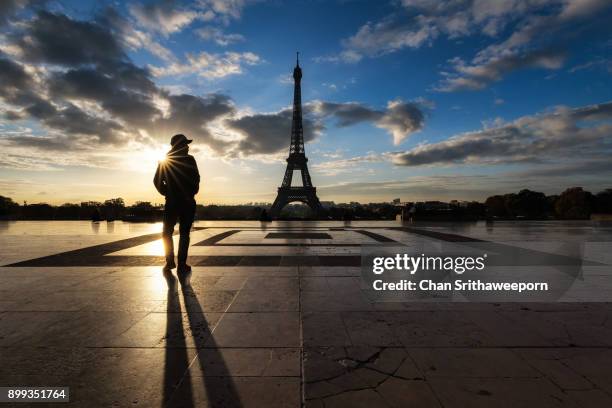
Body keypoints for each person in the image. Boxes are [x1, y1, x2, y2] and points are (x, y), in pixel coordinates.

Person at [154, 134, 200, 273]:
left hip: (172, 201)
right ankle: (181, 263)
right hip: (186, 201)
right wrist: (190, 193)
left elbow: (157, 180)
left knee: (167, 233)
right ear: (180, 145)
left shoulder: (165, 160)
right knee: (184, 233)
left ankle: (170, 262)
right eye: (185, 143)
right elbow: (196, 179)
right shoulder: (190, 160)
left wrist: (167, 192)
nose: (187, 146)